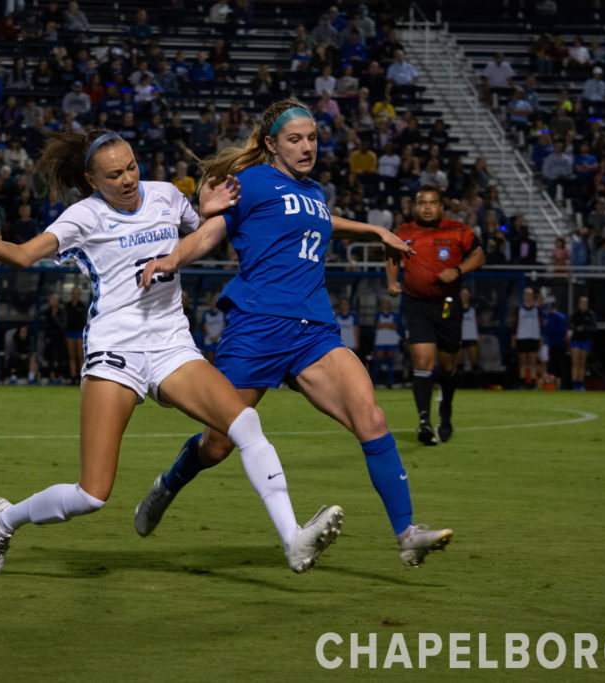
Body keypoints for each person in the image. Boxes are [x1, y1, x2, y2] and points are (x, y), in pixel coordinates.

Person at [0, 128, 342, 575]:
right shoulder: (83, 217)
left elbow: (204, 232)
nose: (129, 179)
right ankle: (4, 518)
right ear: (94, 181)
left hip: (171, 343)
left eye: (132, 166)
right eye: (115, 174)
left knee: (244, 422)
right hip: (116, 351)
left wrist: (203, 210)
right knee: (92, 493)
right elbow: (21, 255)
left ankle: (293, 539)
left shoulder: (166, 196)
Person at [136, 99, 453, 566]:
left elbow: (320, 221)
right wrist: (172, 259)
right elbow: (209, 233)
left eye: (313, 139)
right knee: (218, 443)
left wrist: (371, 231)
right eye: (295, 140)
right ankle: (169, 483)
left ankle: (407, 534)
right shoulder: (250, 182)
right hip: (257, 326)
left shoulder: (315, 192)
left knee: (374, 420)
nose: (307, 148)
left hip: (315, 331)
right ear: (271, 144)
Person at [386, 185, 485, 444]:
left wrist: (458, 270)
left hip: (448, 304)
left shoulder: (458, 229)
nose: (427, 207)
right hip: (416, 304)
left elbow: (479, 256)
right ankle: (424, 422)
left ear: (442, 206)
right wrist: (392, 282)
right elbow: (392, 256)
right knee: (422, 361)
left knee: (449, 364)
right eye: (422, 203)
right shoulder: (403, 232)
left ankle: (446, 409)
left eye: (432, 203)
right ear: (414, 206)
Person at [512, 287, 542, 389]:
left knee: (533, 362)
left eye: (530, 294)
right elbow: (515, 324)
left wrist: (541, 338)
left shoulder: (537, 309)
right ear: (523, 295)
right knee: (522, 362)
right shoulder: (519, 308)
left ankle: (533, 383)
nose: (528, 296)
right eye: (526, 294)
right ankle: (522, 383)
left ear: (533, 296)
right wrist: (514, 338)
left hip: (534, 338)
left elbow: (541, 325)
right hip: (521, 337)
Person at [568, 296, 596, 391]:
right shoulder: (574, 314)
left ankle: (581, 383)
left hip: (586, 340)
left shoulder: (591, 314)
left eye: (585, 303)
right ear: (579, 304)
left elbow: (593, 328)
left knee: (583, 363)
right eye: (582, 303)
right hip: (575, 340)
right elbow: (570, 326)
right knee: (575, 363)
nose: (583, 305)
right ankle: (575, 383)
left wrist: (584, 328)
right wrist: (576, 329)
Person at [371, 298, 401, 389]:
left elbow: (394, 326)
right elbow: (377, 326)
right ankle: (374, 382)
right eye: (384, 303)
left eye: (387, 303)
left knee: (390, 362)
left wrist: (383, 325)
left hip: (391, 340)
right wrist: (389, 325)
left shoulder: (394, 315)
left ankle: (390, 382)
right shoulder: (378, 315)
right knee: (378, 362)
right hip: (380, 341)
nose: (386, 305)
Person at [456, 288, 481, 388]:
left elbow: (478, 323)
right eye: (461, 294)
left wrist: (479, 336)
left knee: (474, 360)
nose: (463, 296)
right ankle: (460, 385)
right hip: (459, 337)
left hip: (471, 337)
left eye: (465, 295)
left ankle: (476, 384)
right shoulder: (455, 308)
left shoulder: (474, 309)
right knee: (460, 361)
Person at [65, 286, 87, 384]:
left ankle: (81, 376)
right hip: (70, 332)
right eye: (74, 292)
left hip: (79, 332)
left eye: (77, 293)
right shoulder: (68, 305)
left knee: (80, 355)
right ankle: (73, 377)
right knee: (71, 355)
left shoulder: (82, 306)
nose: (75, 294)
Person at [200, 294, 226, 364]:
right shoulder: (206, 313)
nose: (215, 301)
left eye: (217, 299)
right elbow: (205, 327)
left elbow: (223, 326)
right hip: (209, 339)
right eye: (214, 299)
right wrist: (211, 337)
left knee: (219, 361)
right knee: (210, 361)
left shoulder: (223, 313)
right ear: (211, 301)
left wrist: (217, 337)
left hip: (219, 339)